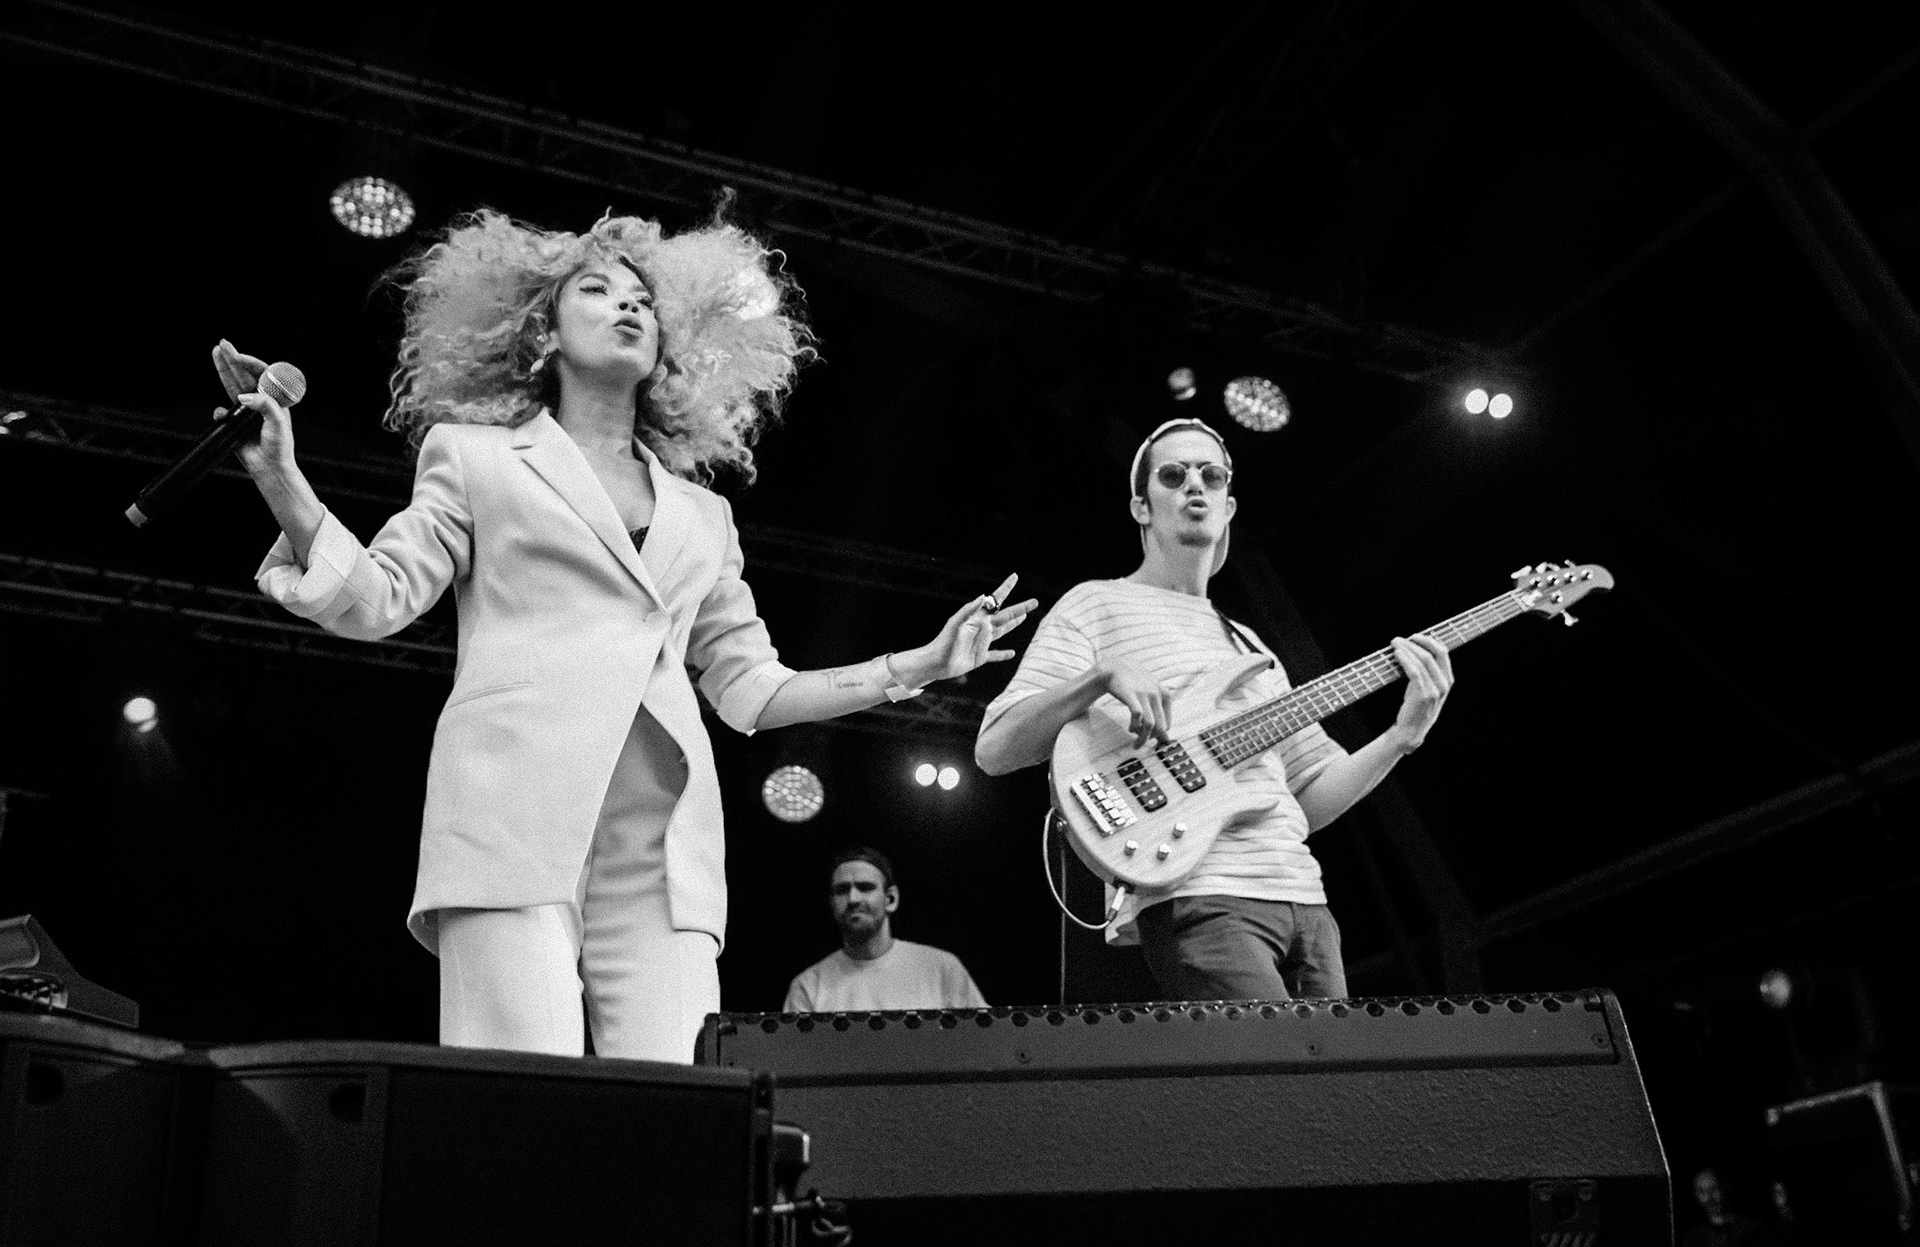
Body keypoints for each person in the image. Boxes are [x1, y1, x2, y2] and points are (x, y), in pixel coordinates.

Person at [220, 205, 1034, 1062]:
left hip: (663, 857)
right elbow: (378, 598)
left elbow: (752, 690)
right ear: (543, 333)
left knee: (674, 1110)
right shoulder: (476, 458)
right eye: (598, 290)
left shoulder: (704, 516)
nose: (628, 307)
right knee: (514, 1100)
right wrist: (283, 479)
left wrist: (916, 665)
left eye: (643, 300)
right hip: (508, 820)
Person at [973, 417, 1451, 1001]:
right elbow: (995, 748)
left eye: (1211, 475)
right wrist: (1101, 677)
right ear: (1141, 507)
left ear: (1228, 506)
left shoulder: (1253, 648)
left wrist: (1402, 737)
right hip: (1200, 894)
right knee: (1278, 1075)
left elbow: (1307, 795)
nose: (1194, 485)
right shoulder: (1098, 603)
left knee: (1334, 1087)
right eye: (1172, 475)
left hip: (1305, 898)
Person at [783, 848, 985, 1012]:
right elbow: (793, 1060)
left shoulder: (942, 969)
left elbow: (984, 1045)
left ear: (891, 899)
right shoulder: (809, 986)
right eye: (842, 890)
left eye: (865, 887)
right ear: (831, 903)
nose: (853, 899)